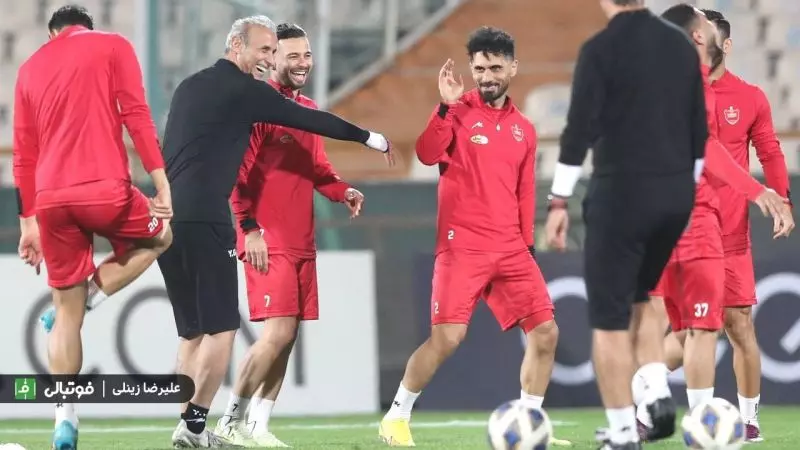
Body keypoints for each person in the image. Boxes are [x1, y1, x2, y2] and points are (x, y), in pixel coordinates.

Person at [156, 15, 394, 448]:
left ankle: (194, 427)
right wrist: (370, 137)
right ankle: (200, 426)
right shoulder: (251, 93)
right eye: (264, 50)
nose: (268, 59)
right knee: (223, 330)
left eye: (273, 51)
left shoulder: (188, 86)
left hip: (168, 216)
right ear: (236, 45)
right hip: (215, 219)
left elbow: (168, 148)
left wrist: (340, 189)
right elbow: (314, 125)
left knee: (191, 333)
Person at [378, 27, 569, 448]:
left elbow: (524, 192)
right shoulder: (456, 111)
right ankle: (396, 417)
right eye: (479, 69)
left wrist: (528, 247)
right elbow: (426, 153)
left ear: (512, 68)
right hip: (461, 247)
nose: (486, 77)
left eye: (495, 68)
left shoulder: (524, 128)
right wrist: (444, 107)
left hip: (512, 249)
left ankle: (531, 421)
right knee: (447, 339)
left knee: (545, 332)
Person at [543, 0, 709, 447]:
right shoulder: (680, 45)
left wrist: (558, 201)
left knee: (609, 323)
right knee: (641, 297)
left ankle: (622, 432)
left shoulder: (600, 49)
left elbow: (578, 129)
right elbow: (699, 130)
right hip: (676, 196)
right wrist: (686, 191)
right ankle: (654, 392)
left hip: (621, 195)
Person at [12, 5, 174, 450]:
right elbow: (136, 115)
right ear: (87, 28)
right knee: (161, 236)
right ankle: (90, 299)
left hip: (51, 201)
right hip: (105, 189)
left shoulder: (29, 69)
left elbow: (23, 155)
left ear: (52, 34)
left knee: (64, 315)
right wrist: (161, 183)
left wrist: (28, 224)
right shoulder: (113, 45)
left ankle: (64, 420)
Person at [633, 5, 793, 440]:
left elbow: (770, 151)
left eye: (710, 33)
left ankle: (748, 419)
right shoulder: (677, 88)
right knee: (686, 328)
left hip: (730, 228)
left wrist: (782, 199)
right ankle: (650, 401)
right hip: (683, 222)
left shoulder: (750, 96)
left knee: (736, 324)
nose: (705, 39)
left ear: (725, 43)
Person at [211, 23, 366, 447]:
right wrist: (248, 229)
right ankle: (229, 421)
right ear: (272, 58)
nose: (302, 63)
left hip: (301, 240)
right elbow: (236, 176)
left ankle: (258, 425)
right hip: (267, 238)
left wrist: (342, 191)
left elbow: (319, 170)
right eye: (292, 55)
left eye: (307, 55)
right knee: (277, 333)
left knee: (288, 336)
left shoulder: (308, 111)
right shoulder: (257, 109)